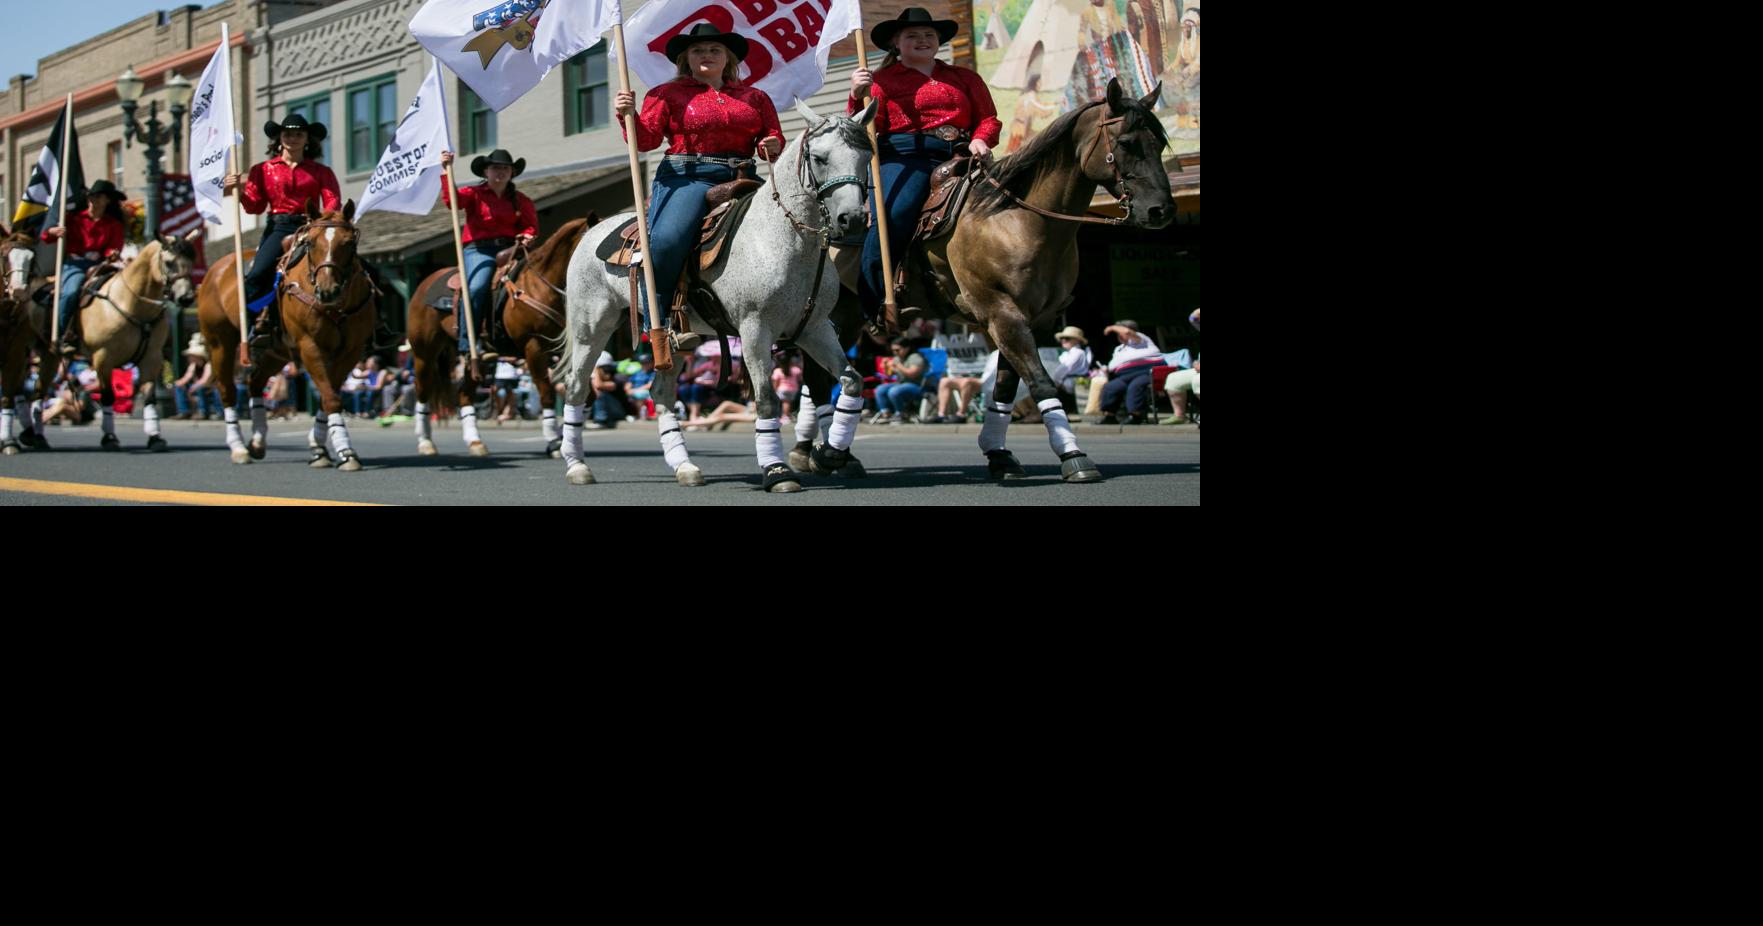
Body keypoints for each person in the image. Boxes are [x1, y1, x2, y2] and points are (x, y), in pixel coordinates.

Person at [613, 22, 783, 353]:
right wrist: (628, 114)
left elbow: (768, 140)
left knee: (788, 223)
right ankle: (659, 323)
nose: (707, 55)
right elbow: (645, 141)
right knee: (667, 240)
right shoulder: (666, 94)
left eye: (714, 49)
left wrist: (771, 144)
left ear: (728, 57)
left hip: (743, 175)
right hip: (687, 176)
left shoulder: (755, 97)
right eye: (698, 50)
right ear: (686, 59)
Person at [850, 8, 1002, 334]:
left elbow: (989, 118)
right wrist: (856, 95)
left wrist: (980, 138)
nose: (922, 40)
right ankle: (876, 303)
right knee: (893, 216)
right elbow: (864, 128)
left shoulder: (965, 77)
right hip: (907, 158)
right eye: (913, 36)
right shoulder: (882, 81)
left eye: (928, 35)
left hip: (963, 156)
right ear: (896, 43)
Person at [224, 115, 342, 363]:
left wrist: (323, 221)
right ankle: (250, 326)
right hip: (279, 226)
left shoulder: (321, 171)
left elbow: (332, 201)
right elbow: (255, 207)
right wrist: (240, 192)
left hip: (313, 225)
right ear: (280, 138)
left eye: (299, 134)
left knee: (347, 261)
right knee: (257, 275)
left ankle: (376, 325)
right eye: (288, 133)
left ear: (307, 139)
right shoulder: (262, 170)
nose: (293, 138)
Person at [438, 148, 536, 366]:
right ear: (486, 172)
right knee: (477, 288)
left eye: (504, 168)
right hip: (479, 250)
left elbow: (530, 226)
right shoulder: (473, 194)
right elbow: (451, 202)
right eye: (495, 168)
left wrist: (528, 236)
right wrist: (446, 170)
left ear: (511, 172)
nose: (500, 172)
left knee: (535, 282)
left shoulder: (520, 200)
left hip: (511, 250)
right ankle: (468, 343)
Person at [40, 179, 127, 357]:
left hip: (100, 265)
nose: (93, 199)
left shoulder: (113, 224)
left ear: (107, 200)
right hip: (75, 264)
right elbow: (45, 237)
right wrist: (53, 232)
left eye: (98, 196)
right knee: (72, 291)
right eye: (91, 196)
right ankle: (63, 334)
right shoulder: (74, 219)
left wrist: (112, 253)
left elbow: (114, 247)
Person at [1097, 320, 1163, 424]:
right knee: (1111, 387)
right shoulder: (1119, 349)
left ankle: (1136, 415)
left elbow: (1127, 332)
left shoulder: (1141, 339)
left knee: (1135, 386)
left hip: (1145, 372)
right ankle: (1110, 416)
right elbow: (1113, 365)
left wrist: (1111, 327)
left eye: (1120, 333)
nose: (1119, 336)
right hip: (1125, 375)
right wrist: (1106, 369)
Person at [929, 324, 987, 422]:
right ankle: (941, 414)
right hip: (972, 377)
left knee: (967, 382)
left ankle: (961, 414)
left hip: (986, 379)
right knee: (944, 381)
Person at [872, 336, 929, 424]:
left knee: (894, 391)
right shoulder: (897, 358)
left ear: (907, 348)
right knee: (880, 389)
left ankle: (900, 414)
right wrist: (886, 367)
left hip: (917, 385)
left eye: (897, 350)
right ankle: (886, 413)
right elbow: (889, 375)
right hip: (901, 384)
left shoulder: (915, 357)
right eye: (893, 350)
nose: (895, 353)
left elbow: (912, 374)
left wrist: (898, 365)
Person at [172, 334, 219, 420]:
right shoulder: (193, 366)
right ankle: (184, 411)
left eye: (191, 355)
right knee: (179, 387)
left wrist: (194, 387)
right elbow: (186, 378)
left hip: (208, 387)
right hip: (197, 387)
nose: (189, 358)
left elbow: (205, 381)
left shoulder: (208, 365)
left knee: (200, 388)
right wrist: (177, 384)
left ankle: (203, 412)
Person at [1051, 325, 1094, 411]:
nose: (1063, 340)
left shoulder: (1077, 352)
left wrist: (1056, 381)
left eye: (1067, 338)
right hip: (1068, 381)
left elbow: (1064, 369)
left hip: (1071, 382)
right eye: (1062, 338)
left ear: (1077, 340)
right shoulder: (1069, 353)